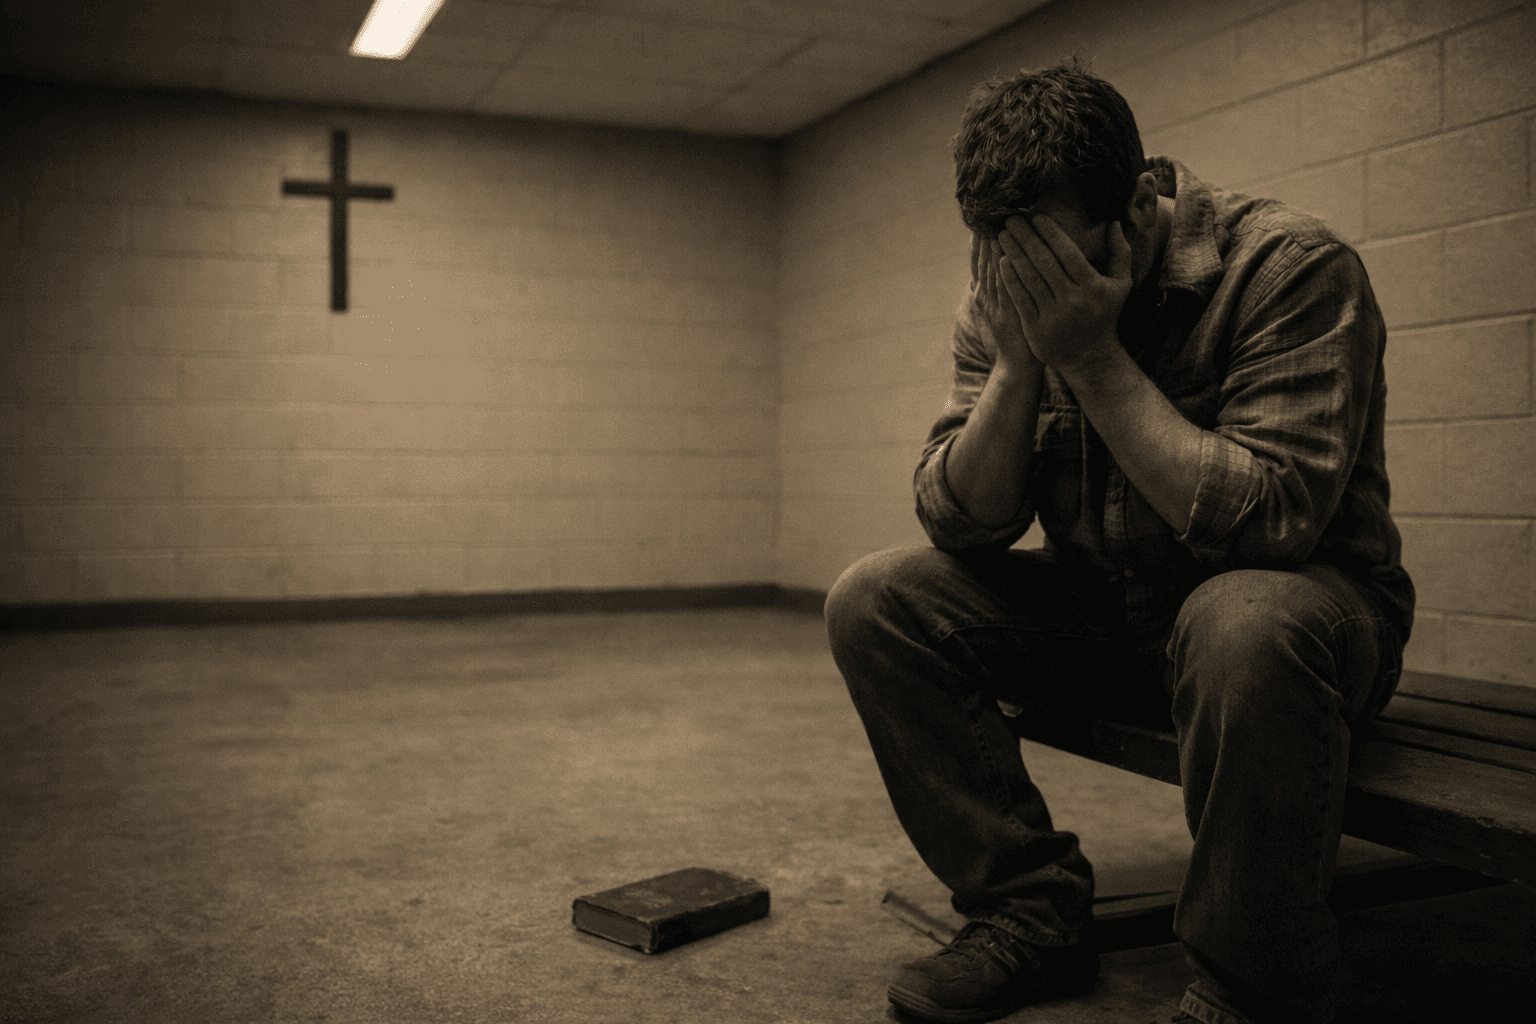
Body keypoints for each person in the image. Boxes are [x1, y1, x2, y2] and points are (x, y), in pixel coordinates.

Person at [824, 61, 1414, 1024]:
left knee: (1244, 619)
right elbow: (959, 518)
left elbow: (1270, 524)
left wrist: (1092, 357)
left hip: (1302, 626)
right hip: (1112, 610)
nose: (1027, 284)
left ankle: (1249, 987)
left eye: (1050, 257)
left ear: (1139, 203)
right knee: (877, 598)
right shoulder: (1006, 297)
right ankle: (1029, 915)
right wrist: (1022, 361)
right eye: (1003, 259)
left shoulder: (1291, 268)